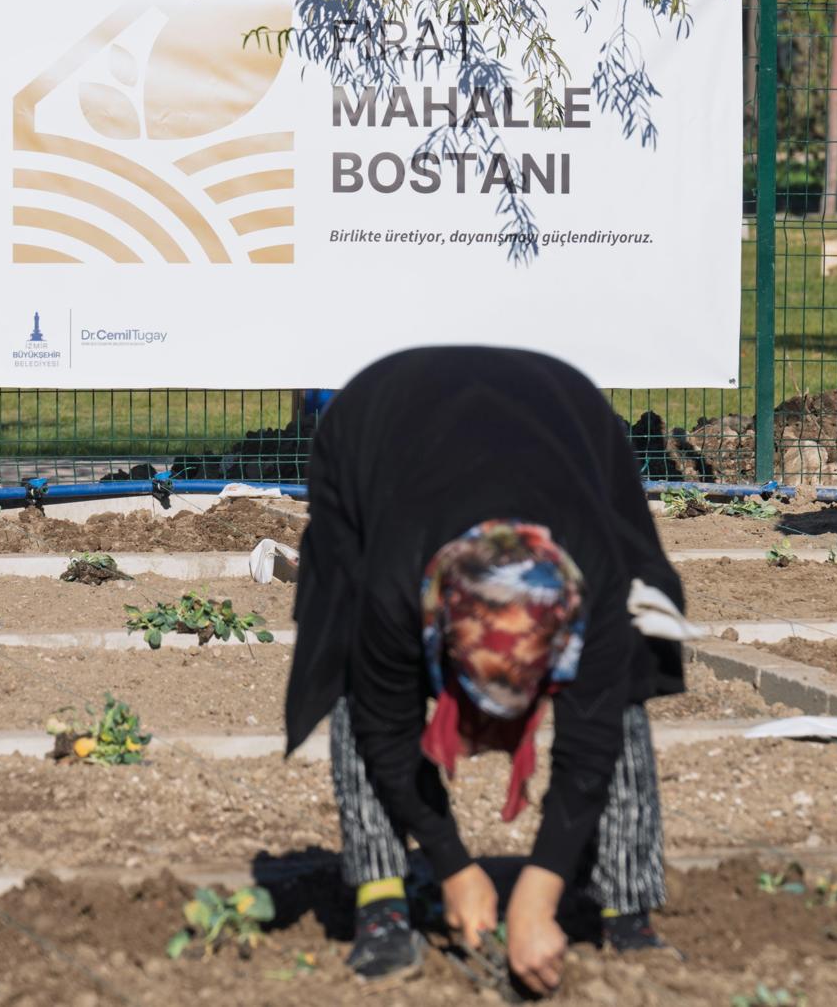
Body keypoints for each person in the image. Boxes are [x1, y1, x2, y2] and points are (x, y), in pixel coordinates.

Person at [285, 346, 696, 994]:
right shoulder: (394, 588)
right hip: (379, 418)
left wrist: (540, 888)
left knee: (626, 686)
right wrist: (453, 867)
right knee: (353, 674)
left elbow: (595, 731)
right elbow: (386, 729)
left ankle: (626, 908)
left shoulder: (591, 579)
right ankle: (383, 904)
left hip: (566, 413)